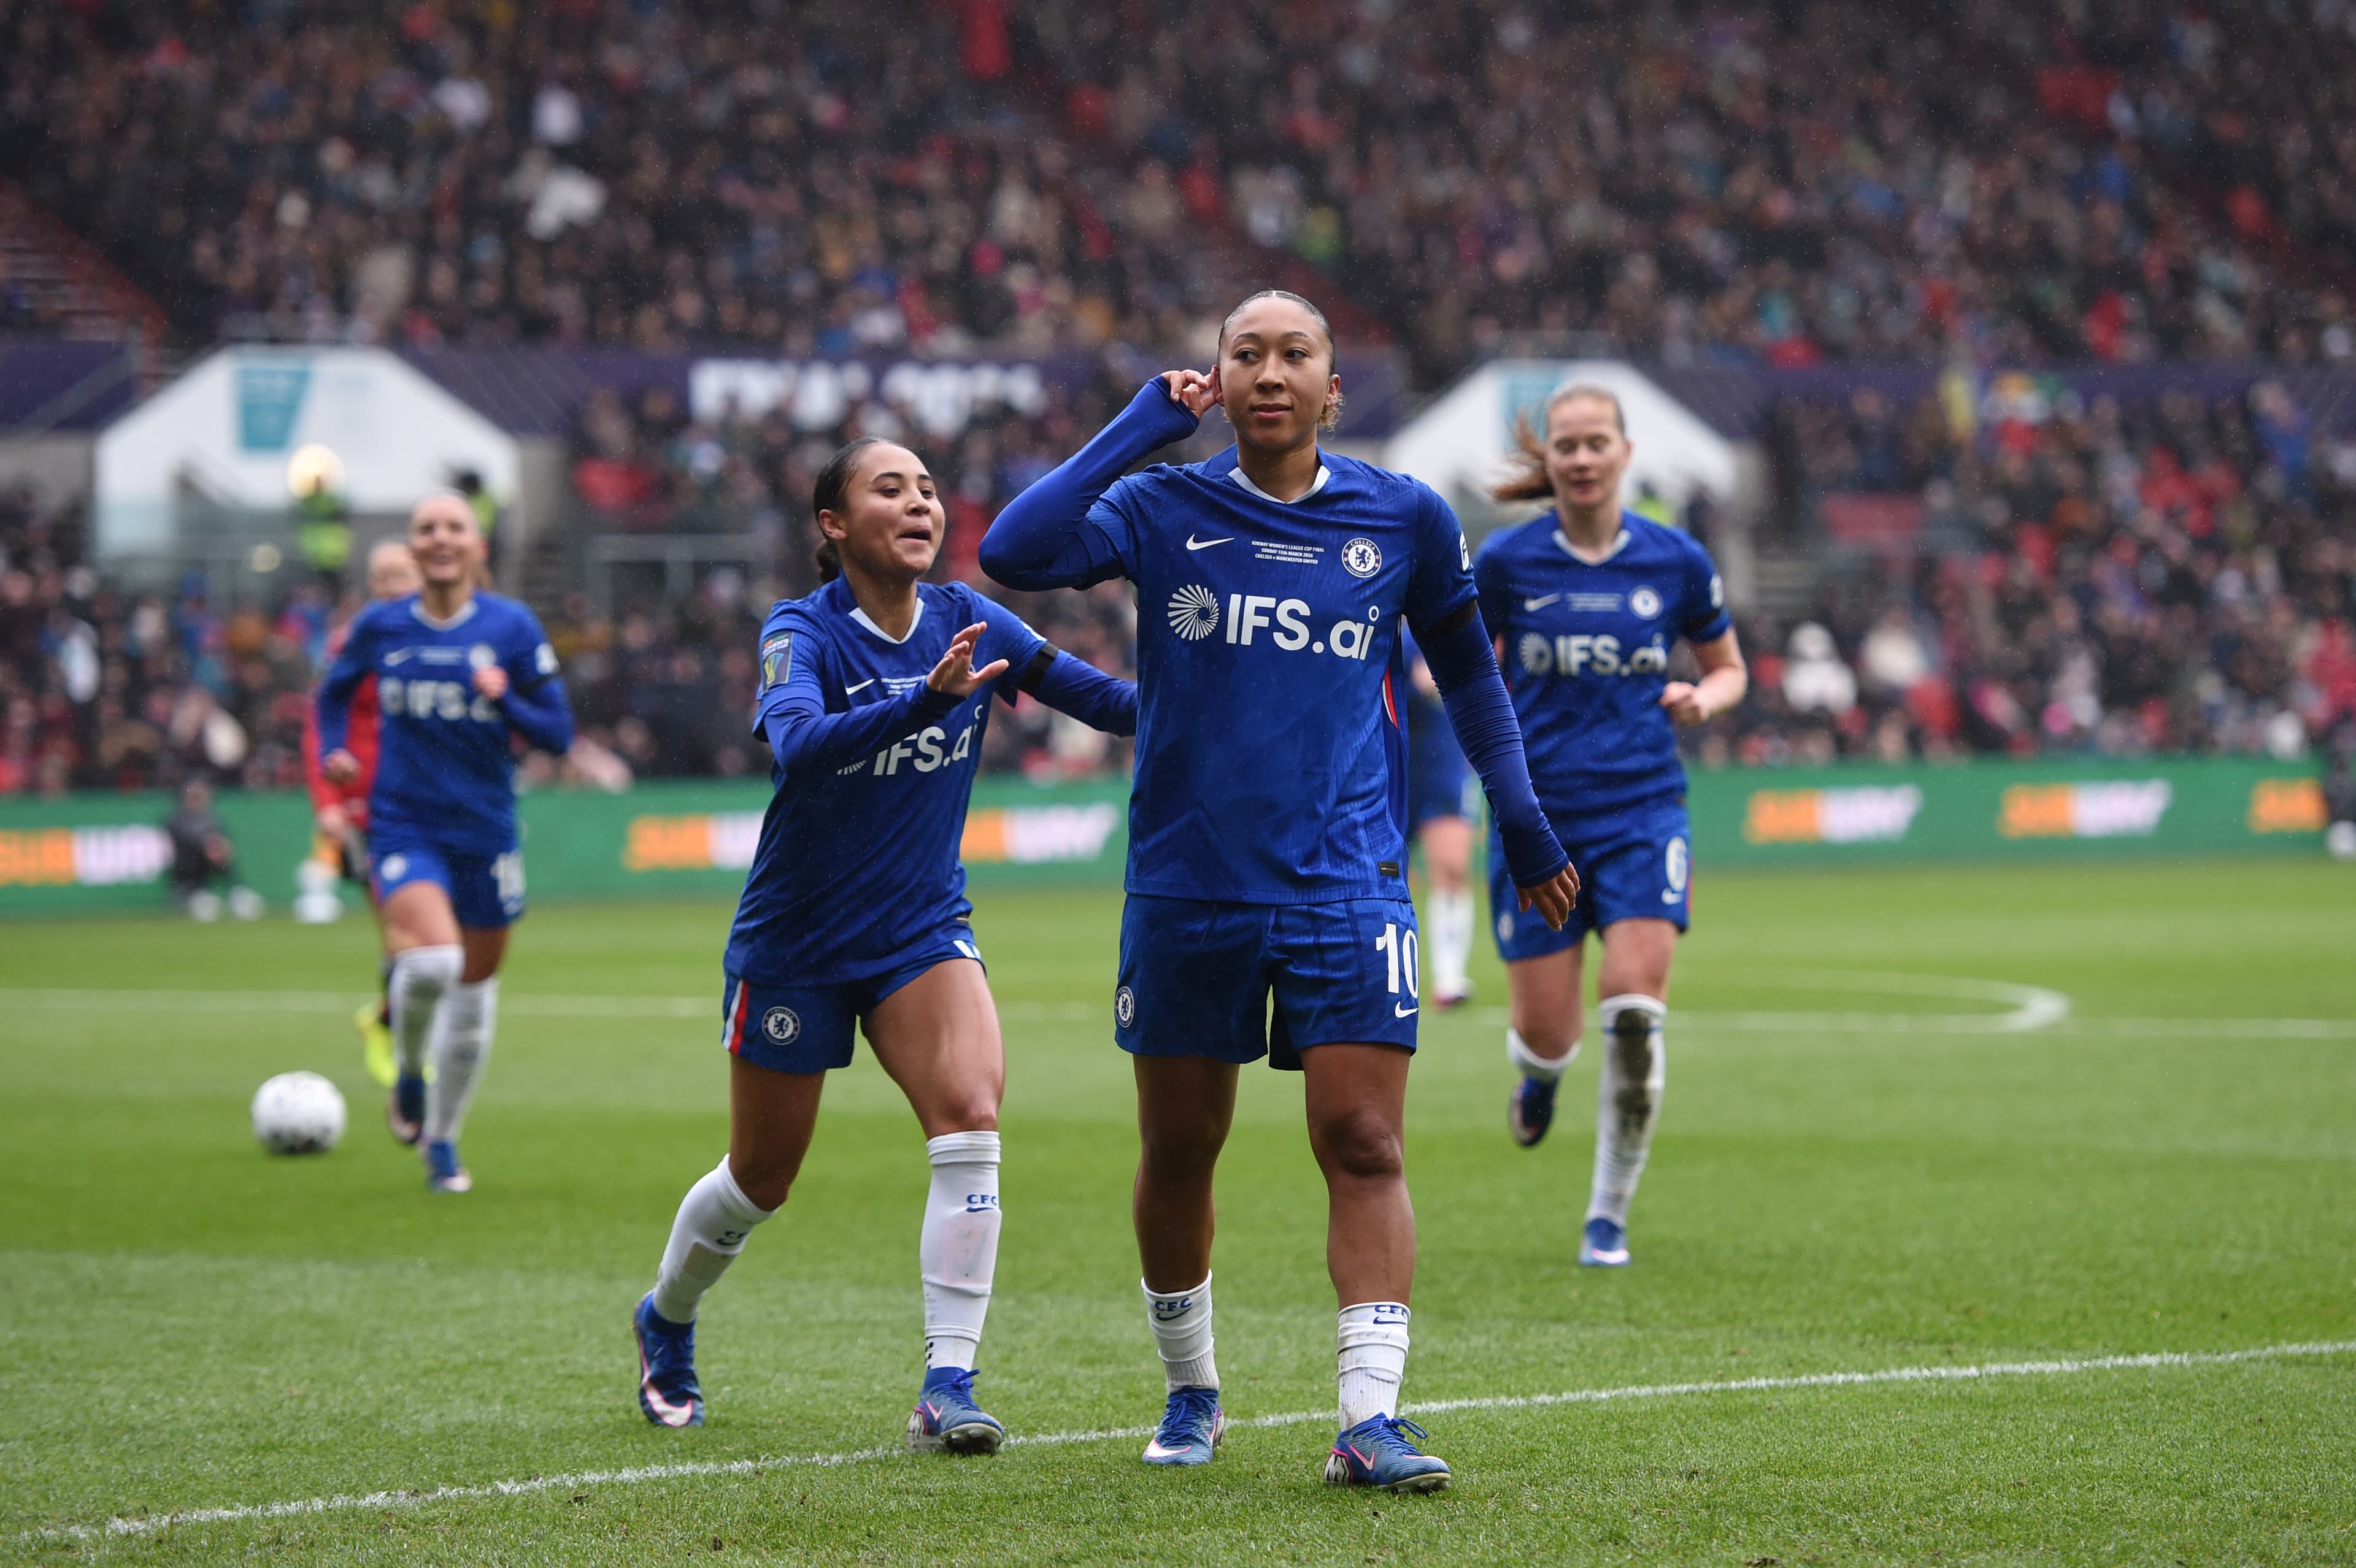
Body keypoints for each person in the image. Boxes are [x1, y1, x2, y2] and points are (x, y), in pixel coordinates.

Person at [979, 290, 1578, 1493]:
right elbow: (1016, 551)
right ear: (1218, 377)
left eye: (1292, 354)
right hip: (1188, 883)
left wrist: (1519, 817)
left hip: (1347, 885)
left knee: (1363, 1141)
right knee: (1182, 1148)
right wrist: (1141, 427)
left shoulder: (1401, 515)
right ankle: (1192, 1389)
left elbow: (1466, 673)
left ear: (1331, 385)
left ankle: (1370, 1418)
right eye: (1242, 354)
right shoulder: (1161, 504)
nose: (1267, 373)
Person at [629, 438, 1138, 1451]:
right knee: (761, 1179)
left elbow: (1104, 700)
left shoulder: (970, 616)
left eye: (929, 489)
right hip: (797, 940)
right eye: (889, 488)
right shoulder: (800, 632)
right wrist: (925, 700)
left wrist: (1224, 692)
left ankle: (949, 1381)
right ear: (834, 524)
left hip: (920, 930)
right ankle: (666, 1317)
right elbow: (800, 743)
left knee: (971, 1116)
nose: (920, 504)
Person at [1476, 383, 1748, 1269]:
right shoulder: (1510, 563)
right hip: (1539, 820)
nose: (1584, 459)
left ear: (1626, 453)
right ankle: (1539, 1078)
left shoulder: (1674, 560)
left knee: (1633, 1010)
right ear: (1549, 461)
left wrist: (1705, 697)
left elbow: (1730, 667)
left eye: (1599, 443)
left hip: (1643, 809)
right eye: (1569, 446)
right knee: (1551, 1036)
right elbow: (1459, 662)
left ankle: (1608, 1216)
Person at [315, 494, 574, 1194]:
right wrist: (337, 753)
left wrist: (504, 699)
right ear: (414, 544)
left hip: (486, 830)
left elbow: (557, 733)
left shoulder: (511, 627)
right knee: (432, 961)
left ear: (477, 546)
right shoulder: (382, 625)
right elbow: (333, 695)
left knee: (473, 991)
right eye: (426, 527)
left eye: (454, 527)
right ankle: (407, 1070)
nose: (440, 537)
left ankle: (444, 1140)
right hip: (404, 823)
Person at [302, 540, 424, 1090]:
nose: (389, 587)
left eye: (399, 575)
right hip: (371, 804)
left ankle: (388, 1019)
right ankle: (394, 1036)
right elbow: (320, 722)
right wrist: (328, 802)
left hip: (437, 801)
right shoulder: (354, 642)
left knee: (448, 939)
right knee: (403, 929)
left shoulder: (448, 637)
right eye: (380, 578)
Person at [1399, 627, 1479, 1007]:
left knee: (1451, 868)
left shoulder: (1452, 626)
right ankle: (1389, 972)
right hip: (1387, 767)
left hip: (1442, 766)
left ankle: (1449, 978)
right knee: (1383, 876)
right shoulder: (1386, 628)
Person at [163, 779, 262, 921]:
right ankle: (194, 895)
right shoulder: (176, 820)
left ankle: (237, 892)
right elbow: (182, 844)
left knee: (222, 855)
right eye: (194, 795)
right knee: (205, 903)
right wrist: (205, 846)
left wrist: (219, 847)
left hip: (211, 863)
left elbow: (223, 840)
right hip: (188, 870)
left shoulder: (212, 818)